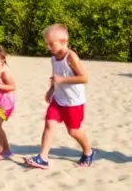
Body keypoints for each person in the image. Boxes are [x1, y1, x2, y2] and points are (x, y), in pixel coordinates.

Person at [25, 23, 94, 169]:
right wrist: (51, 89)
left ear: (63, 41)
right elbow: (55, 76)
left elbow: (84, 78)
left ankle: (88, 152)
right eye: (47, 44)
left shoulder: (71, 57)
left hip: (73, 102)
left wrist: (62, 80)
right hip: (58, 99)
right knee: (49, 124)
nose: (48, 47)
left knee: (73, 131)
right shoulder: (53, 58)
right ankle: (43, 158)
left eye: (51, 44)